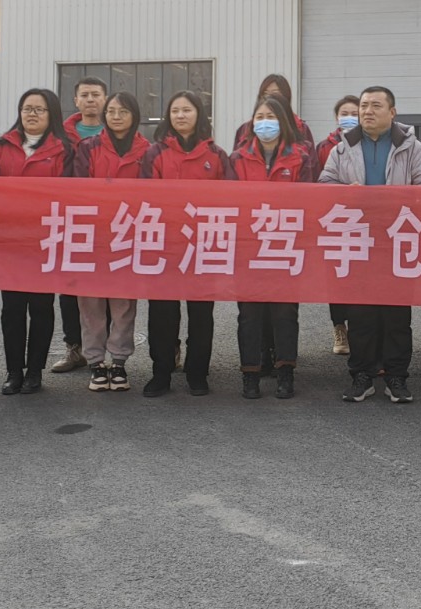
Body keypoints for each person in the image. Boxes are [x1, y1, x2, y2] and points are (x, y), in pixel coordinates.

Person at [320, 85, 421, 404]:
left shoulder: (413, 148)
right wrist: (345, 192)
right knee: (360, 314)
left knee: (397, 314)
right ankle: (362, 374)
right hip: (358, 238)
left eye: (375, 105)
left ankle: (397, 376)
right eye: (363, 106)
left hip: (398, 239)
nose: (367, 111)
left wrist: (402, 198)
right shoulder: (342, 148)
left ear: (392, 112)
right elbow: (324, 185)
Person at [0, 88, 73, 396]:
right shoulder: (1, 145)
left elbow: (71, 191)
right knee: (12, 308)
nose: (32, 114)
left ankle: (34, 372)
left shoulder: (64, 149)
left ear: (52, 115)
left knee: (42, 307)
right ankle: (13, 371)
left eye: (39, 109)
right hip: (9, 240)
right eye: (27, 108)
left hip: (46, 239)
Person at [138, 89, 233, 397]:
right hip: (165, 244)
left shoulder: (216, 155)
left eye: (187, 110)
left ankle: (197, 372)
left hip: (204, 244)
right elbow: (144, 197)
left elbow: (231, 198)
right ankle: (161, 372)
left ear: (199, 115)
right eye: (175, 110)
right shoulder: (155, 154)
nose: (181, 115)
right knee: (162, 314)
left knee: (201, 314)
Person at [228, 94, 314, 399]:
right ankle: (250, 373)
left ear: (284, 122)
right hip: (248, 247)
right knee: (249, 313)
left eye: (272, 117)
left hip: (285, 245)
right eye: (260, 117)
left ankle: (285, 371)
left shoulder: (300, 157)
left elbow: (308, 200)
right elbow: (228, 201)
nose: (265, 123)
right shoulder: (237, 158)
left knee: (284, 312)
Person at [69, 91, 149, 392]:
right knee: (90, 302)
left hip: (128, 235)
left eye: (123, 111)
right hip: (92, 235)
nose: (116, 116)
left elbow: (153, 191)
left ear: (134, 116)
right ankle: (95, 362)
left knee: (123, 303)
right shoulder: (88, 147)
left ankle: (118, 362)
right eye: (112, 111)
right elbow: (78, 188)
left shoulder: (147, 150)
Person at [51, 76, 109, 374]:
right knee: (70, 285)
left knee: (107, 285)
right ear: (75, 100)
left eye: (96, 94)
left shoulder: (118, 131)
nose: (90, 99)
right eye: (84, 95)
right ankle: (75, 347)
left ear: (105, 99)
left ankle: (104, 348)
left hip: (108, 221)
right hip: (71, 220)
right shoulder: (60, 136)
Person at [315, 95, 361, 356]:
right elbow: (319, 182)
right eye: (345, 113)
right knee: (336, 277)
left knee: (357, 277)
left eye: (354, 113)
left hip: (362, 222)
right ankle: (339, 327)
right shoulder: (325, 147)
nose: (349, 117)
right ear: (336, 117)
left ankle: (357, 328)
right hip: (333, 219)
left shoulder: (367, 145)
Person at [233, 73, 316, 148]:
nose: (270, 97)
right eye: (265, 93)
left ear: (286, 96)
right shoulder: (245, 129)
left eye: (275, 93)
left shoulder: (301, 128)